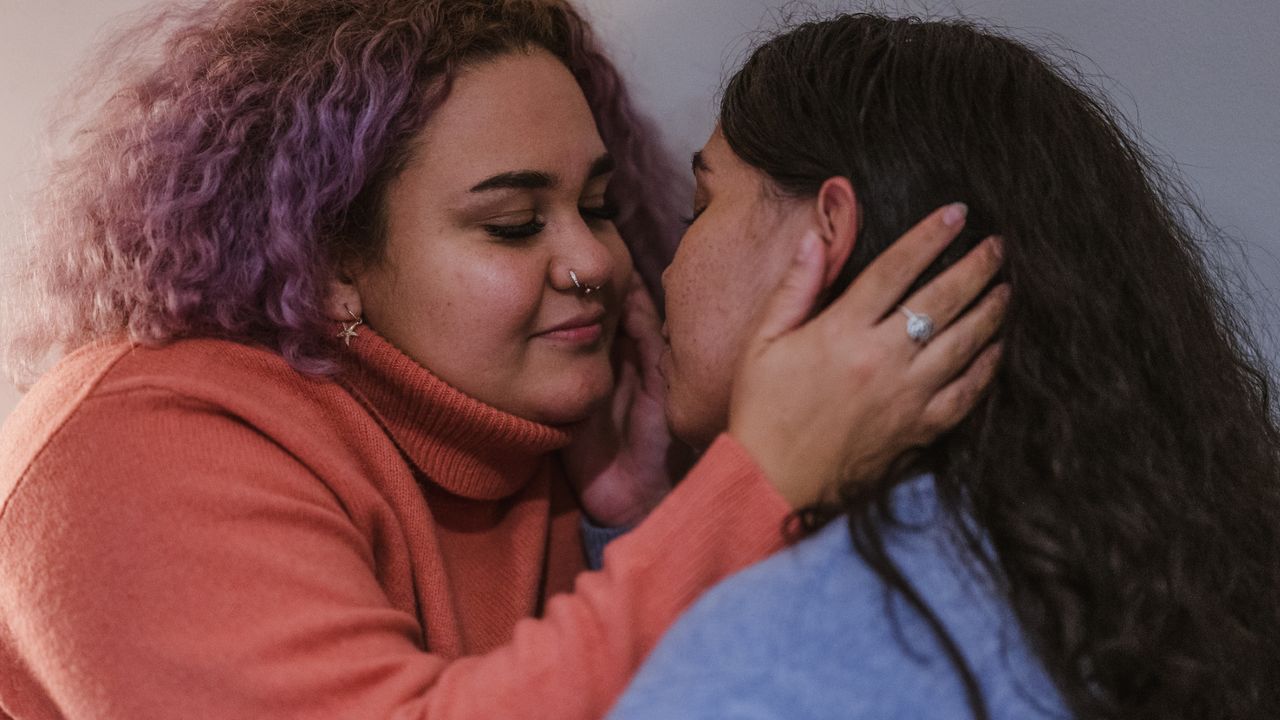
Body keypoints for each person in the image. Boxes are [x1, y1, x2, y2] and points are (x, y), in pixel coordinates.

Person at [0, 2, 1005, 719]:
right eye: (515, 224)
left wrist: (631, 516)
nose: (596, 264)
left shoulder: (545, 438)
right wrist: (760, 476)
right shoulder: (134, 450)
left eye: (599, 207)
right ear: (328, 263)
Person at [608, 13, 1280, 720]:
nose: (665, 270)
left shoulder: (771, 659)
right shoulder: (1168, 583)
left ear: (825, 237)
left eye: (699, 210)